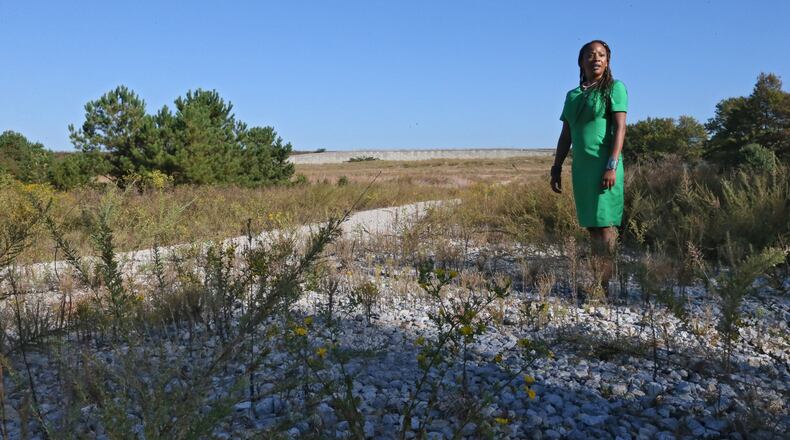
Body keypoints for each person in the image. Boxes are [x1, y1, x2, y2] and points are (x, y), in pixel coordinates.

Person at [550, 39, 628, 296]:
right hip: (582, 169)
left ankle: (605, 287)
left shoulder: (614, 89)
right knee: (592, 227)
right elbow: (566, 135)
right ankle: (599, 282)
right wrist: (556, 166)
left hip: (605, 166)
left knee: (605, 226)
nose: (596, 58)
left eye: (602, 55)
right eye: (590, 55)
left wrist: (611, 165)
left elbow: (620, 129)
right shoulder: (572, 95)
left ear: (608, 61)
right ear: (580, 61)